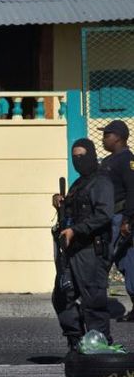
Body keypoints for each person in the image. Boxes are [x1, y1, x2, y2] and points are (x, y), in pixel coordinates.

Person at [52, 138, 114, 352]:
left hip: (91, 250)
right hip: (72, 250)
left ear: (91, 155)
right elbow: (72, 211)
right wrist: (61, 202)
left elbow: (104, 215)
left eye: (82, 156)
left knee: (93, 300)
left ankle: (100, 346)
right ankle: (76, 340)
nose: (78, 160)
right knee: (62, 295)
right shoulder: (79, 183)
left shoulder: (101, 182)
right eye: (75, 157)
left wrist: (76, 230)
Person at [98, 120, 134, 321]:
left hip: (119, 218)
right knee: (126, 261)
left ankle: (96, 308)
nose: (104, 139)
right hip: (109, 218)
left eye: (106, 135)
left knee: (102, 258)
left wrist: (127, 220)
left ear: (118, 137)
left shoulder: (127, 160)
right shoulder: (111, 160)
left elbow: (132, 191)